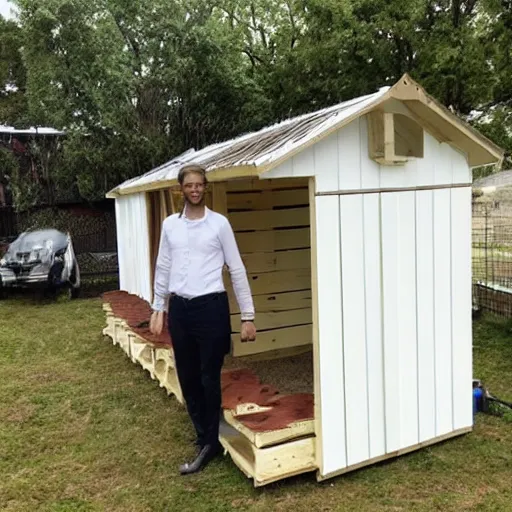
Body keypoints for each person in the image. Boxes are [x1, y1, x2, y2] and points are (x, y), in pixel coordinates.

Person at [149, 163, 257, 475]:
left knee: (210, 376)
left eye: (199, 185)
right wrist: (159, 307)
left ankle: (209, 441)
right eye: (189, 185)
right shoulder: (171, 226)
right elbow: (164, 266)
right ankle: (206, 435)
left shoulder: (219, 225)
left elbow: (236, 269)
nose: (195, 190)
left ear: (204, 187)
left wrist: (247, 316)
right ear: (180, 189)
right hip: (181, 310)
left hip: (211, 308)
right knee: (188, 377)